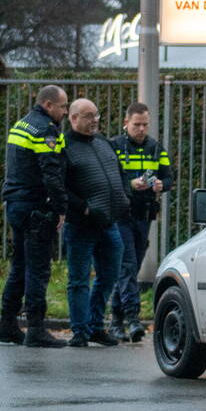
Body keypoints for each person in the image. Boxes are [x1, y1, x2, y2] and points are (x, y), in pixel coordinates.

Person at [0, 85, 69, 348]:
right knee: (38, 268)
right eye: (63, 106)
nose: (65, 111)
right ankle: (36, 329)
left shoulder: (22, 124)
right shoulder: (45, 130)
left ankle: (7, 324)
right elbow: (51, 172)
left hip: (16, 203)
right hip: (35, 207)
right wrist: (61, 207)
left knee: (19, 264)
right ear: (49, 105)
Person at [62, 99, 127, 348]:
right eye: (88, 116)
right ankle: (80, 331)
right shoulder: (65, 146)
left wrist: (125, 197)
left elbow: (118, 172)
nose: (95, 120)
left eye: (96, 115)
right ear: (73, 118)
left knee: (109, 276)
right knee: (79, 279)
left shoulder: (103, 142)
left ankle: (95, 326)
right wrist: (84, 208)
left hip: (109, 222)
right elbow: (60, 187)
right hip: (81, 224)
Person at [109, 102, 174, 342]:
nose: (141, 129)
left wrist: (160, 185)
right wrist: (130, 185)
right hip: (121, 214)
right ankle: (132, 319)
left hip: (144, 215)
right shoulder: (114, 146)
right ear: (126, 123)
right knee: (127, 265)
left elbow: (169, 178)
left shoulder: (156, 149)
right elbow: (108, 178)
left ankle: (115, 321)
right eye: (136, 124)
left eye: (145, 124)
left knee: (132, 266)